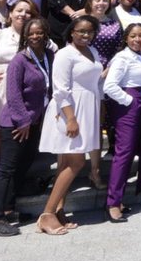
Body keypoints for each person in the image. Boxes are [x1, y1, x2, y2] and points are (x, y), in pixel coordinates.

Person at [0, 16, 53, 236]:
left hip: (35, 122)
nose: (35, 36)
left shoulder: (49, 56)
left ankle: (9, 209)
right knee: (6, 169)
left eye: (39, 32)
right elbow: (13, 93)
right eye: (31, 33)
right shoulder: (20, 59)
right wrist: (23, 121)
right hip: (15, 123)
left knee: (22, 167)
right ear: (25, 36)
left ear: (45, 34)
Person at [37, 14, 102, 235]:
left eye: (90, 31)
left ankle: (58, 211)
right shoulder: (65, 54)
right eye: (81, 31)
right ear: (72, 32)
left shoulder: (92, 51)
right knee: (75, 163)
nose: (86, 35)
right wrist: (71, 118)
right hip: (70, 112)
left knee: (66, 163)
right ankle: (46, 215)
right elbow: (60, 89)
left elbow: (94, 81)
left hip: (87, 108)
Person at [0, 0, 38, 199]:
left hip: (25, 93)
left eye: (28, 12)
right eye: (19, 10)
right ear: (10, 13)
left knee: (16, 139)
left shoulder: (36, 36)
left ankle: (10, 182)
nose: (23, 15)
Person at [101, 23, 141, 222]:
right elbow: (110, 86)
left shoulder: (140, 56)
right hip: (128, 104)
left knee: (130, 153)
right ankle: (112, 203)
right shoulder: (122, 57)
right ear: (126, 38)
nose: (137, 39)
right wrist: (129, 101)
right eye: (133, 36)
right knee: (123, 154)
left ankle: (119, 198)